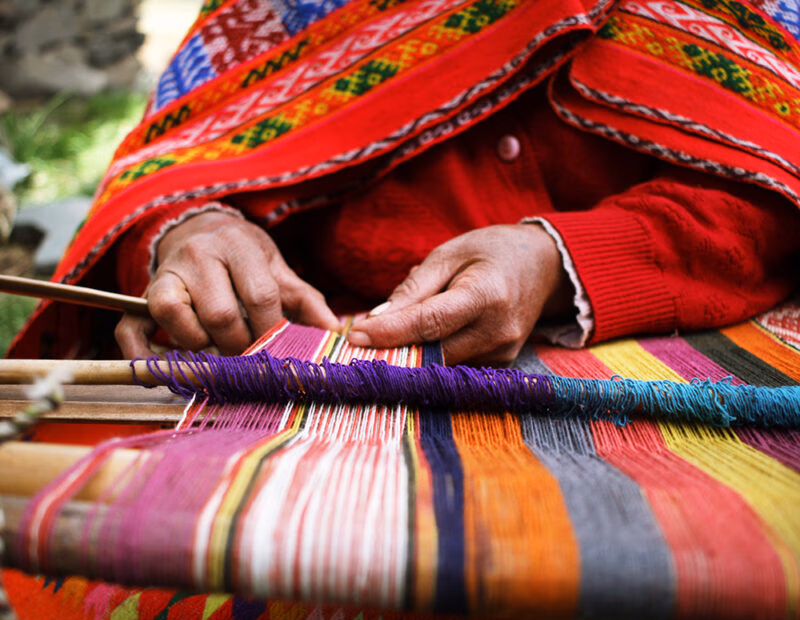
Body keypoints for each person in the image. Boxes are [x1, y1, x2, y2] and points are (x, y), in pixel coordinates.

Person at [8, 0, 800, 368]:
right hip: (311, 396)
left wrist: (562, 265)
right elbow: (170, 169)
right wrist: (194, 235)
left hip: (670, 375)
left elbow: (779, 186)